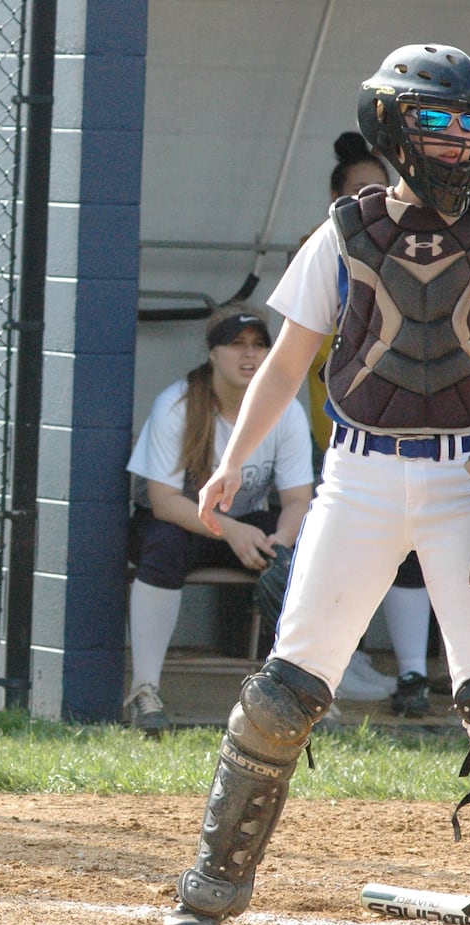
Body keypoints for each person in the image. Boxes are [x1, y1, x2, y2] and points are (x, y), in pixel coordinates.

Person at [161, 45, 470, 925]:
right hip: (362, 474)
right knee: (285, 690)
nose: (462, 143)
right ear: (394, 128)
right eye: (442, 123)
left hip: (467, 480)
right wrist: (231, 463)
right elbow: (286, 361)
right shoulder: (345, 232)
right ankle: (212, 886)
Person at [124, 305, 314, 734]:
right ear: (212, 353)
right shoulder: (177, 404)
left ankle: (300, 694)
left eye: (259, 345)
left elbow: (299, 499)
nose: (249, 356)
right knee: (162, 545)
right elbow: (163, 501)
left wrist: (279, 544)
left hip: (246, 527)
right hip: (185, 523)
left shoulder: (285, 409)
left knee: (305, 552)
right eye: (235, 345)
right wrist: (230, 530)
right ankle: (144, 691)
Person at [306, 132, 436, 718]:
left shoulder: (407, 251)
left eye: (375, 187)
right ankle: (329, 667)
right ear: (336, 195)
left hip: (396, 435)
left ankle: (412, 672)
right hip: (329, 430)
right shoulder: (325, 247)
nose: (368, 198)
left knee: (409, 554)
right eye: (356, 189)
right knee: (339, 557)